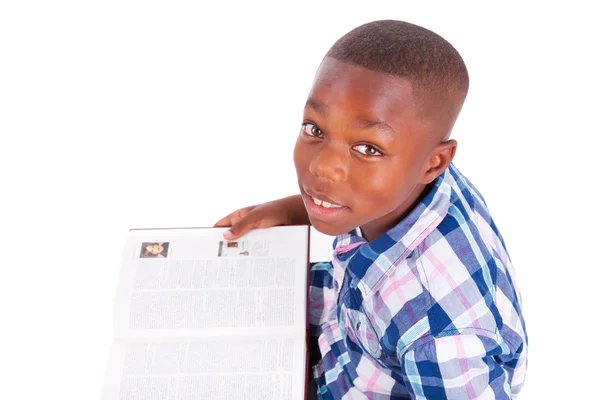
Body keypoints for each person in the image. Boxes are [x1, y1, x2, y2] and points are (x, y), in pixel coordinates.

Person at [215, 20, 527, 399]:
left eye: (367, 149)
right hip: (352, 334)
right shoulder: (407, 179)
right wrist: (287, 210)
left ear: (434, 162)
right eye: (315, 129)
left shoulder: (441, 335)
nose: (322, 168)